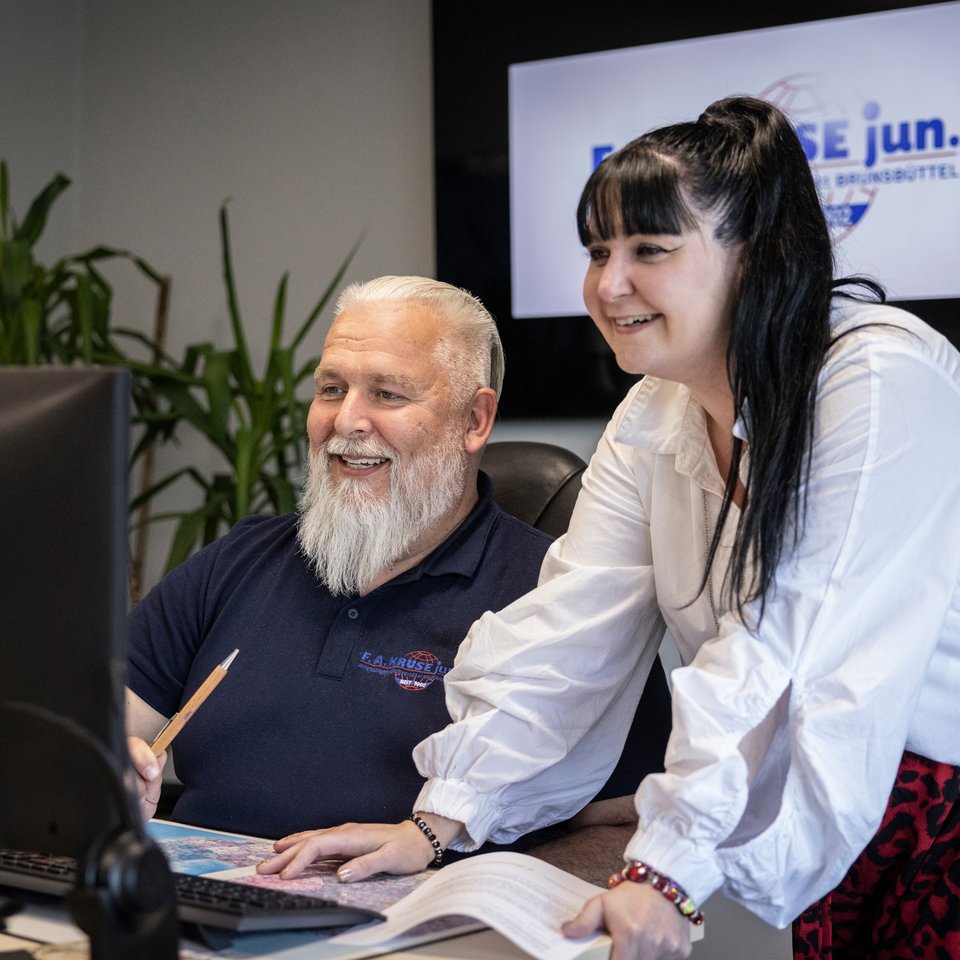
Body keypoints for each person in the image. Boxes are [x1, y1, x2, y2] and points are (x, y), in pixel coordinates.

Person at [258, 99, 960, 959]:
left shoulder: (877, 379)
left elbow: (787, 649)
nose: (607, 284)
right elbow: (574, 631)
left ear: (754, 257)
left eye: (649, 251)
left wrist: (665, 868)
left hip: (934, 799)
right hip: (837, 803)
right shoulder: (653, 413)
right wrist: (439, 824)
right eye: (598, 251)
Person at [125, 275, 671, 863]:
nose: (346, 421)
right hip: (195, 911)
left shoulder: (563, 596)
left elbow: (627, 829)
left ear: (474, 420)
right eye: (331, 388)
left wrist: (467, 903)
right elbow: (99, 729)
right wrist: (108, 761)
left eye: (387, 394)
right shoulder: (239, 560)